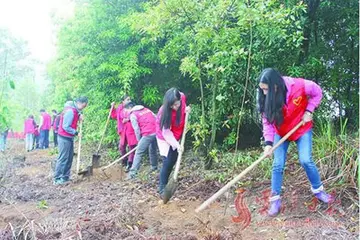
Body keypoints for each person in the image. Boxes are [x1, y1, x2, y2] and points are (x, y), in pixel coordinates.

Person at [257, 68, 333, 217]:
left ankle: (318, 191)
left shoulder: (300, 86)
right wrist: (268, 144)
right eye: (262, 90)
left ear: (275, 87)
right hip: (281, 132)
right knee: (277, 164)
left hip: (301, 128)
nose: (264, 93)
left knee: (306, 160)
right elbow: (267, 124)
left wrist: (309, 111)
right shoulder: (264, 98)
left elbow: (317, 92)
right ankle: (275, 200)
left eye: (266, 90)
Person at [156, 88, 189, 198]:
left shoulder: (182, 97)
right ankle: (162, 188)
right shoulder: (163, 112)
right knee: (168, 160)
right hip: (164, 136)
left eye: (176, 104)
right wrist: (176, 144)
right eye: (172, 106)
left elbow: (183, 108)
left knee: (174, 158)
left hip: (177, 132)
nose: (174, 107)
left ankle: (168, 182)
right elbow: (166, 132)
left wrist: (186, 110)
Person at [54, 97, 88, 185]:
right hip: (64, 137)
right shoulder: (70, 112)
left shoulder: (75, 111)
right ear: (79, 103)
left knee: (69, 158)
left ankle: (65, 177)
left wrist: (79, 116)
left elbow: (76, 116)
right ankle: (57, 178)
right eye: (83, 106)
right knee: (63, 158)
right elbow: (66, 126)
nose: (83, 108)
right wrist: (76, 132)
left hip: (68, 138)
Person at [126, 102, 158, 179]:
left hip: (147, 134)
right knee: (152, 149)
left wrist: (139, 140)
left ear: (130, 108)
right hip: (156, 131)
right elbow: (156, 118)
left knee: (138, 152)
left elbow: (136, 129)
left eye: (126, 110)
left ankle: (132, 173)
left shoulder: (133, 114)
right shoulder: (147, 109)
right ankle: (154, 167)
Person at [110, 95, 134, 167]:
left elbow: (135, 116)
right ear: (123, 101)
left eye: (129, 99)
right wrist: (112, 108)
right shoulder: (120, 107)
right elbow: (114, 116)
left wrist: (128, 119)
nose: (129, 101)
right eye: (127, 99)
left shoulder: (132, 107)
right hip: (123, 130)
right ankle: (124, 160)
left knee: (131, 146)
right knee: (122, 146)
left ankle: (130, 162)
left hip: (130, 129)